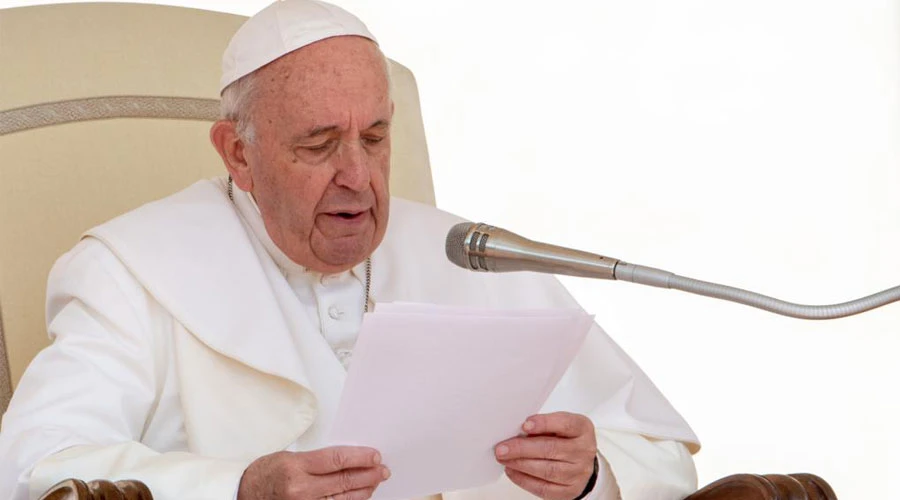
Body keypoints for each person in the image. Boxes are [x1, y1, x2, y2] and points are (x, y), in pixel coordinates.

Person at [0, 1, 700, 499]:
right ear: (237, 154)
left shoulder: (473, 257)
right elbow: (38, 468)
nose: (358, 177)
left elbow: (661, 456)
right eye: (318, 144)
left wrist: (588, 477)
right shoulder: (132, 272)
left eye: (374, 137)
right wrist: (237, 490)